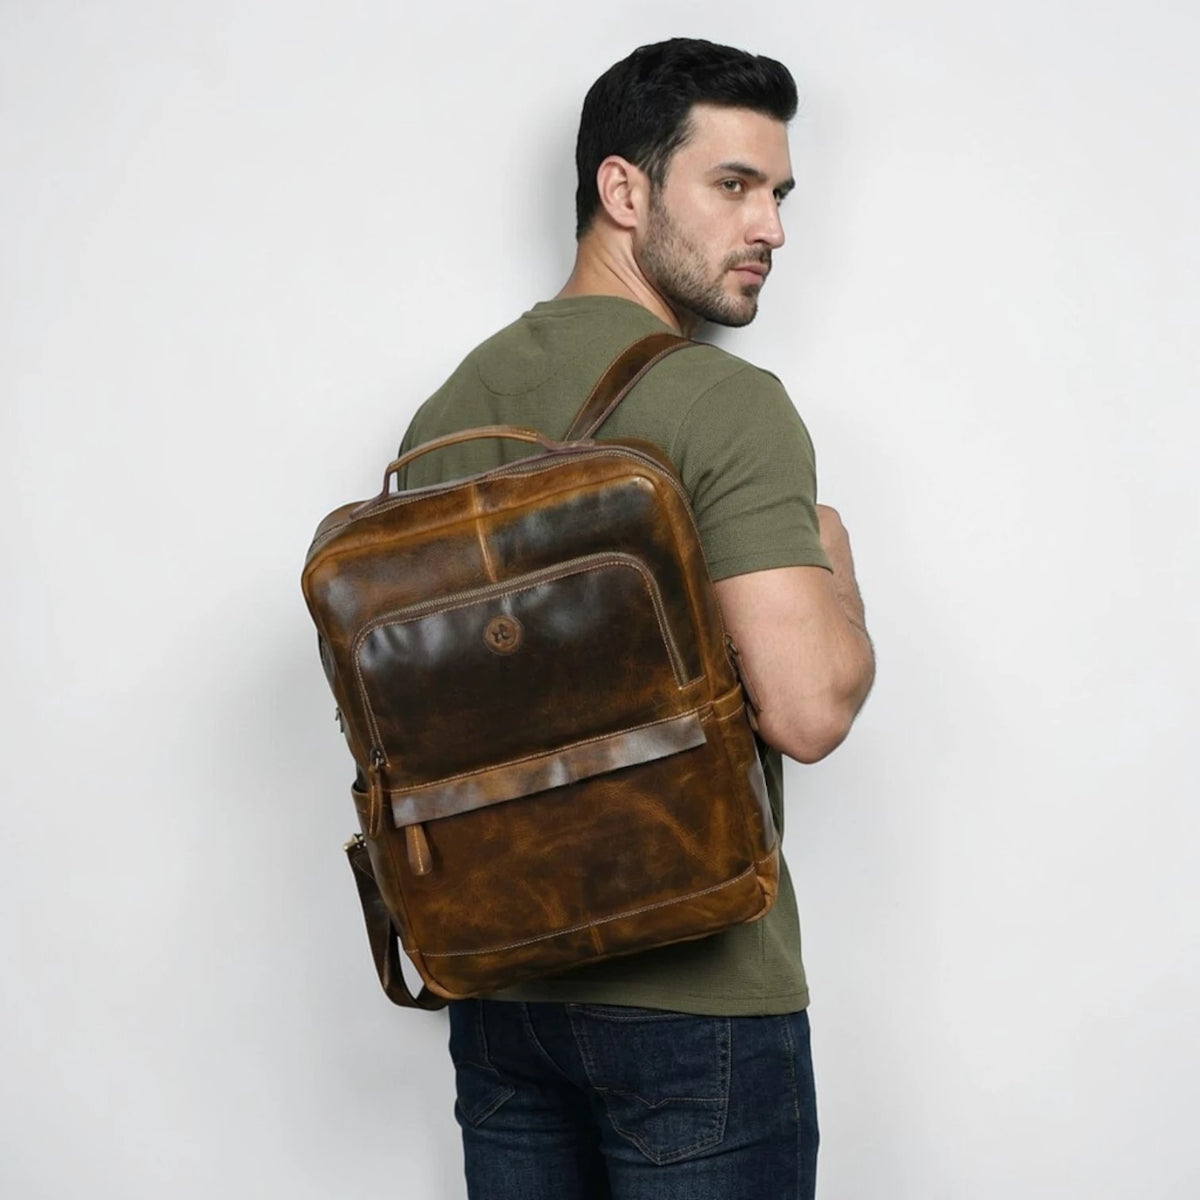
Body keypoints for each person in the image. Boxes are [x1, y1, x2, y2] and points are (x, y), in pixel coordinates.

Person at [397, 37, 875, 1200]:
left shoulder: (446, 417)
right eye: (734, 185)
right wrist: (837, 566)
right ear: (623, 189)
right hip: (695, 1003)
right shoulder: (724, 405)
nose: (771, 227)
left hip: (501, 989)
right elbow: (809, 711)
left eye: (780, 194)